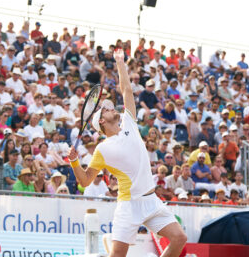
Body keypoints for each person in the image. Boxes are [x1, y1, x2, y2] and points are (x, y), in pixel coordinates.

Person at [68, 49, 186, 257]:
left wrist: (120, 62)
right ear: (101, 122)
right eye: (106, 109)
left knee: (179, 238)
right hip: (129, 206)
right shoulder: (102, 149)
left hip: (151, 200)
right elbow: (85, 181)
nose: (112, 108)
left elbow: (127, 91)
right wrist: (75, 162)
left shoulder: (128, 123)